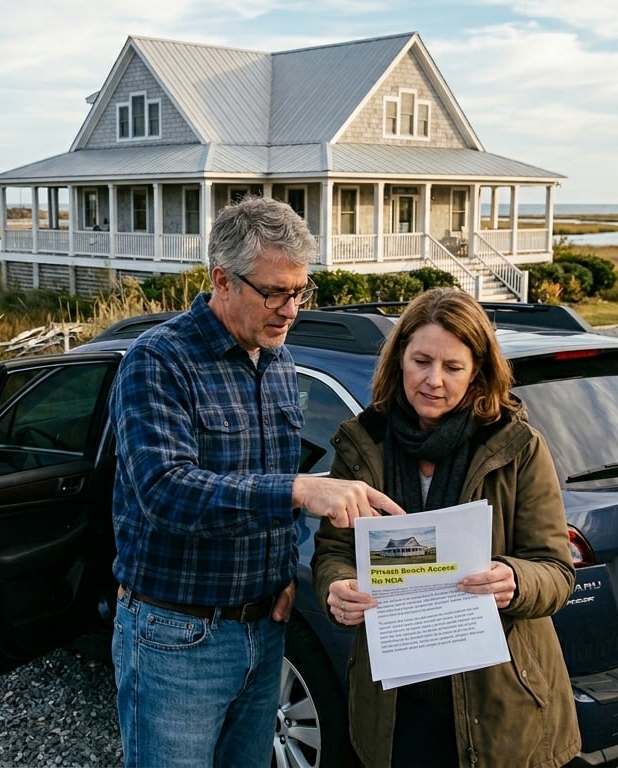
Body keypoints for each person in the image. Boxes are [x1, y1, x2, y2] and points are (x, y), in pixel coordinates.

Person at [109, 196, 404, 768]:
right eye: (274, 292)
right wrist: (297, 490)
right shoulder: (157, 361)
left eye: (299, 292)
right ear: (222, 280)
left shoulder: (278, 361)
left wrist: (282, 575)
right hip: (177, 638)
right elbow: (166, 490)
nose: (290, 309)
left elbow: (263, 476)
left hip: (266, 630)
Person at [312, 287, 580, 768]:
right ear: (399, 361)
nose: (433, 380)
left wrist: (515, 580)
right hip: (394, 700)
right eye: (421, 361)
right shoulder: (362, 443)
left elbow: (556, 572)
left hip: (498, 700)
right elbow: (333, 551)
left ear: (477, 371)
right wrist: (336, 587)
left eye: (453, 367)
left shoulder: (518, 447)